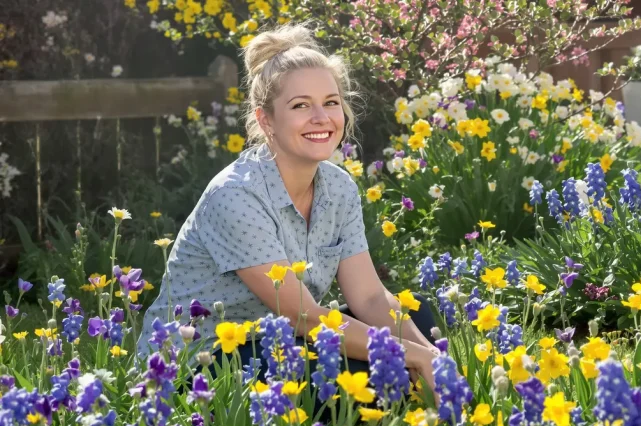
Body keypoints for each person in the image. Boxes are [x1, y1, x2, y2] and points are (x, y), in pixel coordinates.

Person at [137, 22, 439, 396]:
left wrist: (429, 354)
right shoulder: (236, 195)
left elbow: (370, 298)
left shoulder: (339, 187)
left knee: (417, 317)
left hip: (280, 343)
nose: (320, 117)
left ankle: (414, 392)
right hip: (202, 364)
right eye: (300, 106)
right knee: (352, 367)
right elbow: (303, 317)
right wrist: (409, 356)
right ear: (266, 121)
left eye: (331, 102)